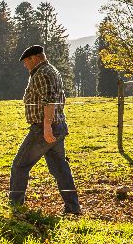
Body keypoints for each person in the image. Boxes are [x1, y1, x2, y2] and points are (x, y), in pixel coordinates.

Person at [8, 44, 81, 214]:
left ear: (34, 58)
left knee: (20, 166)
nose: (25, 66)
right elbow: (58, 99)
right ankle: (73, 207)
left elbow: (49, 101)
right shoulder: (52, 71)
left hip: (43, 129)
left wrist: (47, 127)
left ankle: (15, 207)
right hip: (58, 126)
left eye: (26, 62)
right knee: (60, 168)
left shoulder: (41, 74)